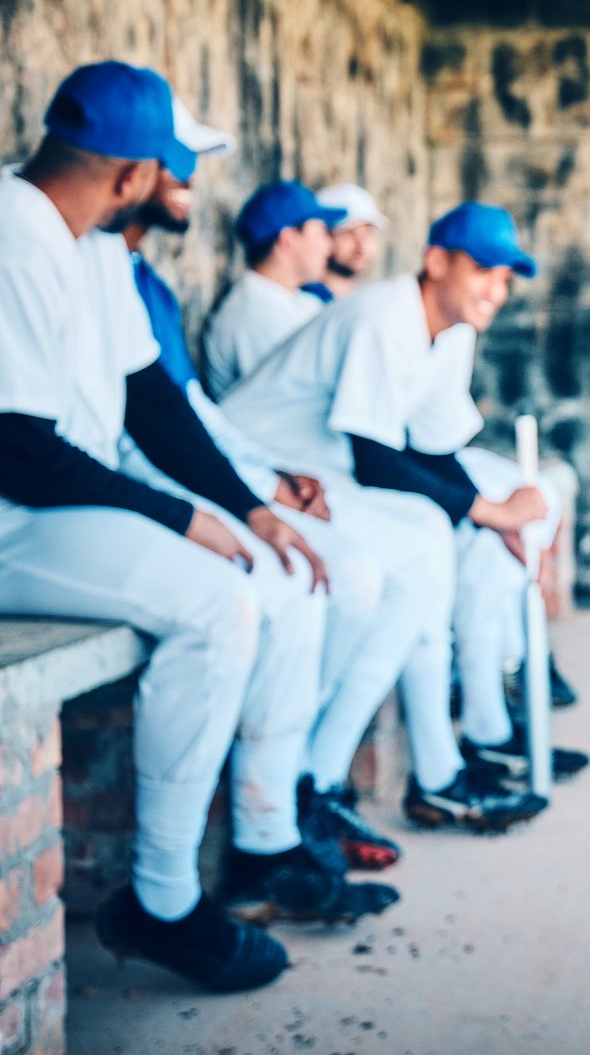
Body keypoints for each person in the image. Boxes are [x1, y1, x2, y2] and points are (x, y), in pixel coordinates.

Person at [0, 64, 383, 994]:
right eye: (168, 165)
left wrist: (248, 511)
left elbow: (153, 404)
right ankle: (164, 902)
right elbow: (16, 451)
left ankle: (261, 839)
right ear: (130, 174)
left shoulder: (89, 243)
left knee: (273, 569)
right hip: (14, 520)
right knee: (218, 603)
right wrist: (183, 517)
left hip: (55, 510)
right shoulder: (10, 232)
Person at [122, 104, 439, 871]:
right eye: (177, 162)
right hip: (118, 491)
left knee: (365, 566)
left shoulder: (139, 280)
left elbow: (181, 408)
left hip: (206, 471)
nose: (191, 178)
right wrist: (251, 494)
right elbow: (143, 428)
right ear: (126, 169)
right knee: (312, 576)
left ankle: (289, 803)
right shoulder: (220, 301)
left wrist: (263, 485)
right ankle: (248, 833)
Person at [220, 202, 584, 814]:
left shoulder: (453, 330)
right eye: (482, 271)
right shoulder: (385, 314)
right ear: (436, 262)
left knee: (436, 549)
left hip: (325, 477)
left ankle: (377, 775)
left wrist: (494, 517)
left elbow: (434, 447)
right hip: (257, 469)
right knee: (425, 545)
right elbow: (375, 457)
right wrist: (488, 513)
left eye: (505, 277)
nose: (496, 290)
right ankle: (341, 778)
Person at [202, 180, 342, 397]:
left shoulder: (299, 300)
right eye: (322, 232)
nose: (330, 246)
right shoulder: (251, 314)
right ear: (289, 240)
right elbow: (294, 401)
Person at [307, 182, 387, 302]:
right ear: (323, 235)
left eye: (368, 233)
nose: (361, 245)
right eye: (349, 233)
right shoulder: (301, 302)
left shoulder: (369, 302)